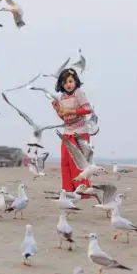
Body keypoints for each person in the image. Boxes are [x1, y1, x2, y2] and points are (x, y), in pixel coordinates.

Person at [51, 68, 93, 198]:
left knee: (78, 163)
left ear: (75, 81)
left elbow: (88, 109)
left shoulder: (78, 93)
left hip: (79, 133)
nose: (68, 84)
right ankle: (68, 191)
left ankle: (82, 191)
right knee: (65, 162)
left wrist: (71, 112)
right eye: (64, 82)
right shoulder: (62, 97)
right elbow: (64, 118)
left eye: (70, 81)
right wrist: (57, 109)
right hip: (67, 132)